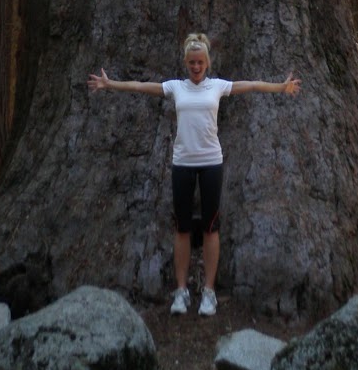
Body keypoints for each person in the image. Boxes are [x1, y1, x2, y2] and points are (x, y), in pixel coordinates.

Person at [88, 32, 301, 315]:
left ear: (207, 62)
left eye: (200, 62)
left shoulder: (218, 86)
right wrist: (110, 84)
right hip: (183, 163)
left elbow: (250, 85)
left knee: (211, 227)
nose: (196, 67)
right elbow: (141, 86)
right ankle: (181, 292)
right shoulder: (177, 87)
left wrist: (280, 87)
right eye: (192, 63)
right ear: (186, 63)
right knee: (182, 228)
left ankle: (209, 293)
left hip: (211, 162)